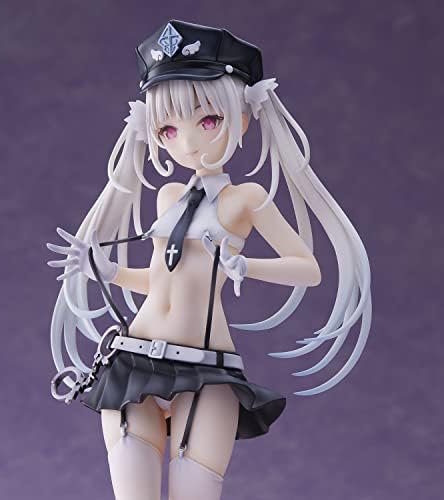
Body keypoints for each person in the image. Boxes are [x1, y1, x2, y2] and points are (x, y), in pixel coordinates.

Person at [46, 19, 372, 500]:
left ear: (242, 119)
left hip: (207, 369)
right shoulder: (168, 196)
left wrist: (247, 266)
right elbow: (163, 280)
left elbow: (308, 268)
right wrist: (108, 271)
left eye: (208, 121)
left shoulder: (246, 199)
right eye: (168, 129)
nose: (188, 142)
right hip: (134, 360)